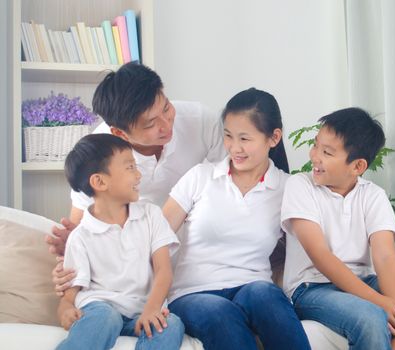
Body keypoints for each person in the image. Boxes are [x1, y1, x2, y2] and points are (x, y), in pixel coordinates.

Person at [280, 107, 395, 350]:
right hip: (312, 289)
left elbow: (385, 255)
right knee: (371, 316)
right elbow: (320, 255)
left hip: (364, 281)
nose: (314, 156)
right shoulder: (300, 186)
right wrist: (379, 302)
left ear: (357, 166)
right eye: (316, 145)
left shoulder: (373, 196)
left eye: (327, 152)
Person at [162, 88, 311, 350]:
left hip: (253, 285)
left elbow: (315, 242)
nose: (234, 148)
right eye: (228, 136)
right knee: (221, 314)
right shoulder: (201, 177)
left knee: (267, 296)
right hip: (193, 293)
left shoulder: (288, 188)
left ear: (273, 138)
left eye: (245, 138)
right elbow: (155, 236)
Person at [47, 62, 224, 257]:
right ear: (119, 133)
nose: (166, 125)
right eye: (150, 124)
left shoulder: (200, 119)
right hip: (134, 249)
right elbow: (81, 220)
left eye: (166, 108)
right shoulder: (95, 153)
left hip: (197, 239)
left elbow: (233, 180)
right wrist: (72, 248)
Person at [56, 134, 184, 350]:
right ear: (99, 181)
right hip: (100, 308)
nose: (138, 174)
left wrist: (152, 309)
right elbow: (70, 296)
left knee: (171, 324)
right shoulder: (81, 236)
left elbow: (163, 270)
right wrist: (65, 310)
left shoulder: (150, 215)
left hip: (142, 311)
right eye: (130, 167)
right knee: (107, 317)